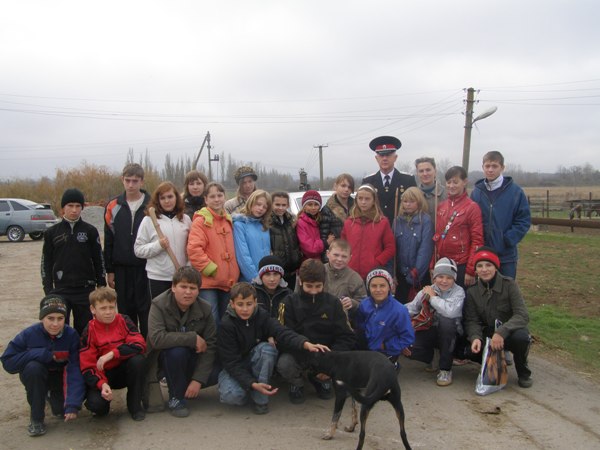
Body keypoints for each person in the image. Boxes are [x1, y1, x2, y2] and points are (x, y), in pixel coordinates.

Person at [217, 282, 329, 414]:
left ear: (255, 302)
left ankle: (260, 400)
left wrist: (305, 344)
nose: (245, 309)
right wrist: (251, 383)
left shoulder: (262, 316)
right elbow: (231, 362)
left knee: (267, 349)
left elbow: (281, 331)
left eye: (249, 304)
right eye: (240, 304)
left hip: (256, 360)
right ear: (232, 303)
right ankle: (251, 388)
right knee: (233, 396)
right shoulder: (226, 324)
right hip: (236, 366)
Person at [1, 295, 85, 437]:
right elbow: (8, 362)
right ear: (42, 318)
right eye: (50, 318)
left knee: (60, 411)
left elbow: (75, 368)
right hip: (36, 376)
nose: (55, 324)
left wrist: (72, 403)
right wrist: (36, 353)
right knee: (34, 368)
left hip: (58, 377)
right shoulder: (28, 334)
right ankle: (36, 419)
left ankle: (52, 396)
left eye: (60, 318)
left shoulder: (71, 335)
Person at [277, 259, 356, 404]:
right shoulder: (287, 303)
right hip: (299, 352)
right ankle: (297, 382)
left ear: (324, 283)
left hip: (325, 354)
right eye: (309, 286)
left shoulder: (333, 303)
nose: (313, 290)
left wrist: (331, 360)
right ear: (300, 281)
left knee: (347, 358)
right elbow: (282, 335)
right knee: (284, 363)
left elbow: (347, 336)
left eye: (318, 286)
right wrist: (304, 344)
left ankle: (320, 379)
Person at [146, 267, 217, 418]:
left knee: (219, 367)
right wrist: (192, 338)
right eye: (183, 287)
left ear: (199, 290)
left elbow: (210, 345)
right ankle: (176, 398)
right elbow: (157, 339)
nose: (188, 292)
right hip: (164, 360)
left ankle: (187, 384)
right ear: (173, 287)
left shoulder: (205, 308)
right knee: (177, 352)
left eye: (193, 288)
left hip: (193, 358)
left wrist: (198, 380)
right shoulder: (158, 305)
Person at [464, 247, 533, 388]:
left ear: (496, 267)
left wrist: (501, 332)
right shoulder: (472, 292)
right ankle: (490, 364)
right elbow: (472, 320)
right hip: (488, 333)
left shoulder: (510, 285)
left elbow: (522, 315)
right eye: (480, 266)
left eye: (488, 265)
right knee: (467, 350)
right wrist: (475, 337)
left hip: (510, 331)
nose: (484, 270)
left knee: (521, 338)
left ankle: (523, 372)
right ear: (475, 270)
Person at [41, 188, 106, 335]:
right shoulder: (52, 232)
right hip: (61, 289)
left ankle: (83, 357)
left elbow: (98, 259)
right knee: (60, 330)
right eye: (70, 206)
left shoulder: (90, 231)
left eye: (78, 206)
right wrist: (48, 290)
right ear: (63, 208)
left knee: (85, 330)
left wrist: (101, 284)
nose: (74, 210)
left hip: (85, 289)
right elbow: (46, 263)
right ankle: (63, 357)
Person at [79, 287, 146, 420]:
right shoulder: (89, 331)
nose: (109, 312)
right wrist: (102, 384)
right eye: (103, 308)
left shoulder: (123, 320)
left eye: (111, 307)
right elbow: (87, 365)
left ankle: (135, 406)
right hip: (104, 374)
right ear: (93, 309)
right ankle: (100, 404)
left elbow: (140, 344)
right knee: (97, 406)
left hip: (123, 370)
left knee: (138, 360)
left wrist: (112, 354)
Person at [104, 163, 151, 336]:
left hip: (146, 267)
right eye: (127, 180)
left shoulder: (151, 205)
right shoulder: (113, 206)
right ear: (122, 180)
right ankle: (129, 353)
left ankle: (148, 354)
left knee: (146, 311)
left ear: (142, 182)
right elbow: (109, 240)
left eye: (135, 181)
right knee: (125, 313)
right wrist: (110, 270)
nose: (131, 185)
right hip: (121, 268)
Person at [471, 151, 531, 279]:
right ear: (483, 167)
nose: (490, 170)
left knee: (505, 290)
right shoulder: (477, 192)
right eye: (487, 166)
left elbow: (523, 220)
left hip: (506, 255)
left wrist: (508, 239)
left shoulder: (515, 192)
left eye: (494, 166)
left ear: (502, 168)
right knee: (482, 291)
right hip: (482, 253)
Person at [405, 258, 465, 386]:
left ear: (454, 278)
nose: (444, 281)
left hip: (453, 336)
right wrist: (393, 311)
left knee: (446, 321)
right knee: (408, 345)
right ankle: (432, 357)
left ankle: (445, 369)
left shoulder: (459, 292)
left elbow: (450, 312)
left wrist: (432, 297)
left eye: (449, 277)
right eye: (440, 276)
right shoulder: (426, 290)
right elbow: (411, 308)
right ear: (434, 277)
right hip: (430, 331)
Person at [187, 182, 240, 327]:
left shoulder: (228, 220)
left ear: (224, 197)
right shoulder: (201, 221)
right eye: (212, 196)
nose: (216, 199)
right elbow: (194, 249)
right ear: (206, 199)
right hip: (209, 281)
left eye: (219, 195)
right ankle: (211, 349)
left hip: (228, 280)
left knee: (226, 320)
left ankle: (224, 349)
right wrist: (211, 269)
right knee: (212, 321)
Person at [134, 182, 192, 300]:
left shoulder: (185, 219)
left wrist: (188, 267)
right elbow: (138, 250)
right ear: (158, 200)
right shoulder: (149, 220)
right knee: (161, 314)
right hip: (158, 278)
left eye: (170, 197)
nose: (167, 201)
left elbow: (191, 247)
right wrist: (158, 245)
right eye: (163, 198)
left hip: (181, 277)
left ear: (176, 197)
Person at [432, 166, 484, 289]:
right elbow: (437, 237)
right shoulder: (442, 207)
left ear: (464, 182)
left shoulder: (472, 207)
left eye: (455, 182)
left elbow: (477, 240)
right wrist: (432, 264)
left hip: (461, 264)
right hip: (442, 263)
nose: (451, 186)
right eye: (448, 182)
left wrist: (471, 270)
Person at [355, 269, 414, 369]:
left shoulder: (399, 310)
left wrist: (386, 345)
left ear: (389, 287)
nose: (378, 290)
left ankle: (394, 365)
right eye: (373, 286)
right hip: (368, 347)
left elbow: (407, 338)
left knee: (379, 378)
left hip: (386, 351)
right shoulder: (364, 304)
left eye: (382, 285)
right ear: (368, 287)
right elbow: (360, 325)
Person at [341, 184, 395, 280]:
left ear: (374, 200)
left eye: (367, 199)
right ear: (356, 200)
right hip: (351, 273)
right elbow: (343, 246)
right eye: (360, 198)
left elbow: (390, 248)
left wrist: (377, 261)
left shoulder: (382, 222)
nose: (363, 202)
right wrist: (347, 262)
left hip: (373, 274)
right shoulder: (349, 222)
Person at [362, 136, 416, 226]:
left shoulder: (408, 180)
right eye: (381, 155)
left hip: (401, 230)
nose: (384, 158)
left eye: (388, 155)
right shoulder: (368, 181)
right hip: (375, 230)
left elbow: (415, 207)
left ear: (395, 157)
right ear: (376, 158)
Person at [392, 187, 434, 303]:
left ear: (419, 202)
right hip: (400, 275)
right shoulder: (397, 221)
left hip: (417, 276)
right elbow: (393, 248)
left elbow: (425, 249)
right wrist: (394, 273)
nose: (408, 204)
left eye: (412, 201)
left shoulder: (425, 221)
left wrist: (416, 273)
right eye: (405, 201)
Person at [233, 189, 272, 282]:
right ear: (250, 202)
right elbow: (243, 256)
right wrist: (255, 278)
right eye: (258, 204)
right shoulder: (240, 224)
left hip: (265, 278)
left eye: (265, 207)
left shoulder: (264, 226)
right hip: (251, 280)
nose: (261, 208)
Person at [323, 239, 367, 319]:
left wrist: (352, 303)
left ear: (350, 258)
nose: (339, 259)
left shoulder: (355, 278)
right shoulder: (319, 271)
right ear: (328, 254)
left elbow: (364, 303)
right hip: (317, 319)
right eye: (336, 255)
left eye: (344, 256)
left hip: (342, 323)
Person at [269, 191, 302, 288]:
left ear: (288, 205)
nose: (281, 208)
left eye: (284, 205)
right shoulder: (267, 221)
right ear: (271, 204)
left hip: (291, 270)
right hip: (276, 270)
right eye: (277, 204)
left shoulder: (291, 220)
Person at [319, 173, 355, 255]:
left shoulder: (357, 207)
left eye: (349, 187)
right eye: (343, 186)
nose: (346, 189)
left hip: (353, 252)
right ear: (336, 186)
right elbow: (324, 238)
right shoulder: (327, 210)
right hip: (337, 255)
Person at [414, 157, 446, 228]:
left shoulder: (446, 194)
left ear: (435, 171)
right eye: (421, 171)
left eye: (428, 170)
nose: (425, 174)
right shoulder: (414, 196)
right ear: (417, 173)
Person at [296, 190, 325, 262]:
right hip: (308, 263)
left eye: (316, 204)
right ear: (304, 206)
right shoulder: (301, 223)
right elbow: (310, 248)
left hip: (321, 261)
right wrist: (325, 243)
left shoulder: (321, 220)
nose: (313, 207)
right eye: (310, 204)